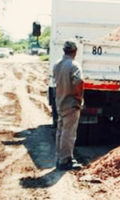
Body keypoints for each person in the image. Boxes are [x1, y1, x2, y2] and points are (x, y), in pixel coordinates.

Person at [52, 40, 84, 171]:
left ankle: (60, 158)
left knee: (60, 131)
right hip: (71, 103)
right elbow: (79, 82)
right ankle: (66, 161)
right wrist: (78, 97)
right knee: (69, 133)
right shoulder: (74, 65)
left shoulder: (57, 65)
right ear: (75, 51)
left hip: (60, 102)